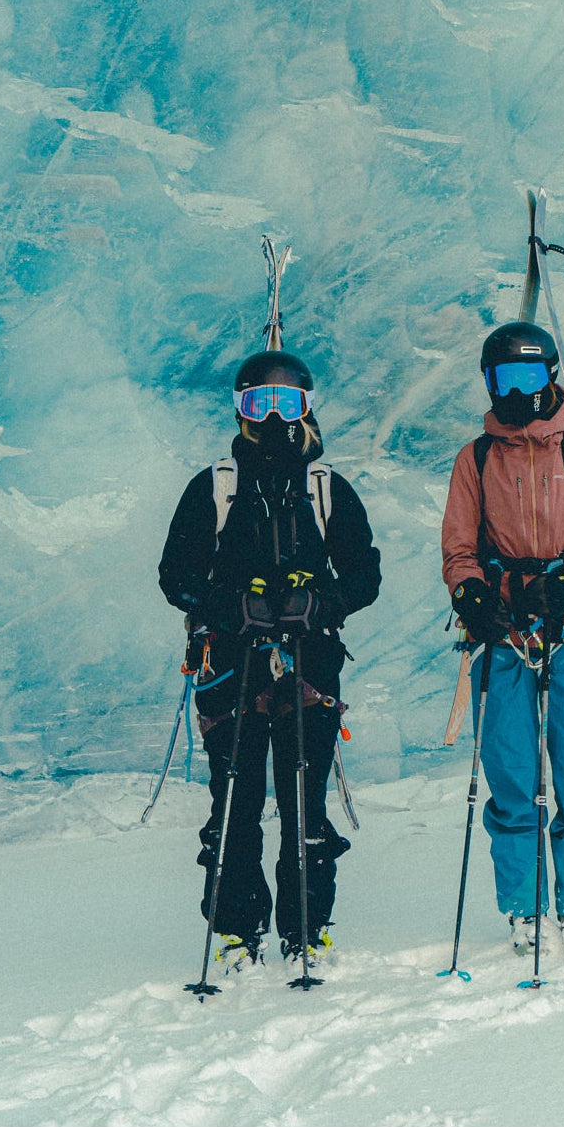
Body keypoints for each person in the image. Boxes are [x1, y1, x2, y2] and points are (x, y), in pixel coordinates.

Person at [159, 349, 381, 971]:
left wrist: (319, 602)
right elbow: (175, 573)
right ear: (241, 409)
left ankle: (306, 930)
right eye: (262, 401)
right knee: (235, 798)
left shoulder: (327, 489)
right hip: (229, 668)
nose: (276, 415)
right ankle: (236, 930)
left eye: (289, 402)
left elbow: (365, 573)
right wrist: (231, 609)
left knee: (304, 796)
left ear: (307, 407)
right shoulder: (216, 487)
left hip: (310, 665)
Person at [440, 321, 564, 958]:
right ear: (489, 384)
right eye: (502, 380)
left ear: (551, 374)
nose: (516, 391)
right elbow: (459, 550)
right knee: (513, 772)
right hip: (506, 630)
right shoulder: (477, 457)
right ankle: (524, 908)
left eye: (528, 376)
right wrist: (471, 595)